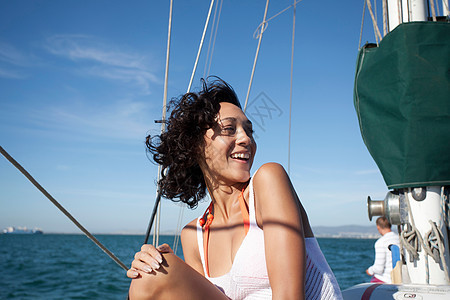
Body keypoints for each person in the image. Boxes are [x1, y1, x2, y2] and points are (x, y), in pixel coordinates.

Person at [127, 78, 343, 299]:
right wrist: (170, 272)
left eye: (249, 131)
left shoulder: (268, 181)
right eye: (229, 129)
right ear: (196, 146)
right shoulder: (193, 236)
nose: (246, 139)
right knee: (152, 271)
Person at [366, 216, 400, 283]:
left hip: (386, 279)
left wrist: (369, 271)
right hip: (399, 277)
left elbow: (379, 269)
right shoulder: (399, 239)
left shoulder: (381, 242)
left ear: (378, 227)